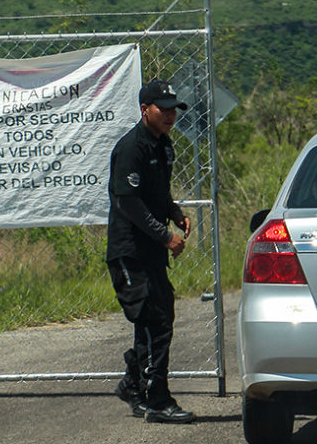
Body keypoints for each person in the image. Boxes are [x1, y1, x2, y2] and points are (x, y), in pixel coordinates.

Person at [106, 79, 195, 424]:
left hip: (151, 251)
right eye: (164, 107)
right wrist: (164, 236)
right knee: (153, 320)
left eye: (174, 108)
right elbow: (128, 202)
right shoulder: (131, 148)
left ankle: (134, 385)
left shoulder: (163, 145)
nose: (171, 114)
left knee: (159, 318)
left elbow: (158, 193)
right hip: (130, 250)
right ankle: (157, 400)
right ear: (145, 110)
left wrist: (175, 214)